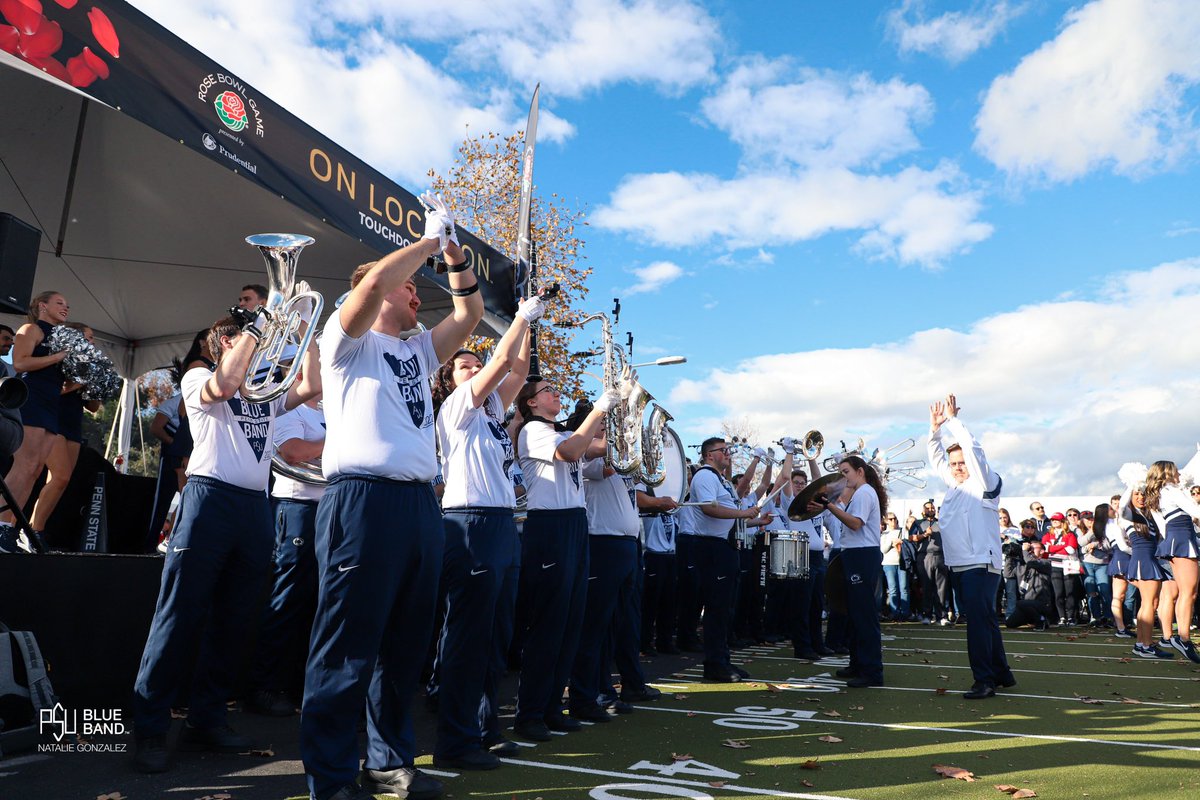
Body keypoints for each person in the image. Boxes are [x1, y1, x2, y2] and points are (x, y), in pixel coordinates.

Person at [299, 195, 483, 800]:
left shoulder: (415, 349)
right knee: (346, 645)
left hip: (416, 506)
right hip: (361, 501)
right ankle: (330, 776)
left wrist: (455, 258)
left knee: (404, 647)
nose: (416, 298)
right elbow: (379, 276)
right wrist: (429, 242)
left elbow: (471, 311)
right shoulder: (345, 343)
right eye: (410, 291)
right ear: (385, 295)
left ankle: (389, 761)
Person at [132, 302, 322, 774]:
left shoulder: (265, 391)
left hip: (254, 507)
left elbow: (313, 385)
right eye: (248, 339)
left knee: (235, 619)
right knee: (178, 615)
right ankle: (152, 728)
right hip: (208, 500)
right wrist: (257, 326)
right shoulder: (198, 378)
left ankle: (207, 719)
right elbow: (223, 385)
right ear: (227, 346)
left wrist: (305, 328)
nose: (260, 346)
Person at [429, 293, 542, 770]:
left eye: (475, 364)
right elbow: (501, 363)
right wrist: (517, 317)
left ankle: (485, 727)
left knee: (496, 637)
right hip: (469, 520)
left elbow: (516, 371)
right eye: (463, 366)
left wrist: (530, 324)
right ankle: (455, 739)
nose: (473, 370)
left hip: (500, 523)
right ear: (449, 380)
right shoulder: (457, 407)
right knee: (468, 636)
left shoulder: (493, 416)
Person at [511, 380, 613, 740]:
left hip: (574, 525)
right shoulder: (533, 430)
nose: (557, 394)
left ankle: (552, 708)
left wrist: (626, 419)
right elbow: (571, 452)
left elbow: (598, 450)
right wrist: (600, 408)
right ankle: (530, 714)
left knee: (571, 623)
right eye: (548, 390)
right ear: (531, 402)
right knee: (548, 625)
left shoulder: (560, 432)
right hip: (550, 527)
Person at [568, 438, 663, 724]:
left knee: (616, 624)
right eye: (602, 427)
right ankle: (586, 693)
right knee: (595, 626)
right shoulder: (590, 456)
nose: (608, 432)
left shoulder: (619, 460)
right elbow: (605, 467)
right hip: (601, 543)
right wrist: (623, 441)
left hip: (626, 545)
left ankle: (605, 689)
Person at [927, 394, 1013, 699]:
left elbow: (975, 452)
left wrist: (953, 422)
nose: (957, 467)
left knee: (977, 623)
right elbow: (936, 457)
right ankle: (1001, 673)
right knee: (986, 619)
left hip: (981, 564)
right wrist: (935, 430)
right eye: (954, 464)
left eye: (961, 463)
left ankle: (984, 680)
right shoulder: (954, 486)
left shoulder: (985, 484)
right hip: (960, 564)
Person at [245, 396, 326, 718]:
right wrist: (343, 437)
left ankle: (304, 685)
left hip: (331, 508)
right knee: (288, 599)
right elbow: (293, 452)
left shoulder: (335, 408)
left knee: (323, 602)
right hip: (298, 508)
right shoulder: (291, 409)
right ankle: (265, 687)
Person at [691, 437, 768, 682]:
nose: (728, 454)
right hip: (712, 548)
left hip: (725, 547)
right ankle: (714, 664)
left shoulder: (720, 480)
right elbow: (708, 508)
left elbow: (731, 516)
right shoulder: (704, 476)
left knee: (725, 609)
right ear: (708, 454)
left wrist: (752, 519)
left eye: (728, 450)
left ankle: (722, 660)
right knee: (716, 608)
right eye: (723, 450)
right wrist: (742, 512)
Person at [0, 291, 70, 553]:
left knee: (36, 469)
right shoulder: (30, 328)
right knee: (25, 464)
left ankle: (10, 529)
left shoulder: (61, 337)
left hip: (51, 403)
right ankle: (0, 525)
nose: (65, 308)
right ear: (42, 306)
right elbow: (19, 363)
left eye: (67, 305)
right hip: (31, 400)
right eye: (59, 303)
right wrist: (57, 357)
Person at [808, 455, 886, 688]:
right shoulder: (859, 494)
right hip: (854, 554)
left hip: (862, 555)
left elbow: (855, 523)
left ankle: (872, 671)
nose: (843, 476)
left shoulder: (864, 492)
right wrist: (828, 504)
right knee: (853, 613)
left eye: (846, 472)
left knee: (864, 614)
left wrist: (828, 506)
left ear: (860, 471)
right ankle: (858, 663)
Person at [29, 322, 102, 540]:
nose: (92, 342)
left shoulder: (87, 365)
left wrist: (93, 386)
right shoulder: (60, 356)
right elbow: (52, 390)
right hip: (52, 420)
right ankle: (32, 530)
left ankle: (30, 528)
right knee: (55, 476)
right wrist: (77, 383)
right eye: (89, 338)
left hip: (73, 424)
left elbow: (94, 407)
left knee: (61, 480)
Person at [1143, 459, 1200, 663]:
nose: (1179, 473)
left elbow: (1163, 528)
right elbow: (1196, 511)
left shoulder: (1159, 495)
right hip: (1182, 539)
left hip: (1176, 538)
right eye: (1175, 470)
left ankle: (1182, 638)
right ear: (1167, 472)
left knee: (1185, 591)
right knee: (1189, 592)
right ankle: (1183, 638)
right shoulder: (1171, 490)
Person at [1119, 479, 1174, 659]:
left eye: (1143, 493)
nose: (1141, 497)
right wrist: (1131, 484)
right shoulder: (1127, 514)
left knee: (1150, 602)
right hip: (1143, 560)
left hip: (1149, 559)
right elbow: (1121, 507)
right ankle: (1147, 645)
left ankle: (1141, 644)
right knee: (1150, 603)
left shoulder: (1148, 515)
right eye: (1137, 494)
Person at [638, 483, 680, 655]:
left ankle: (665, 641)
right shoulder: (651, 505)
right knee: (650, 603)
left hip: (670, 556)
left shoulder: (671, 509)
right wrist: (657, 499)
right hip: (654, 555)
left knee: (668, 602)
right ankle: (645, 643)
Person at [909, 499, 953, 624]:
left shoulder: (941, 523)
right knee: (926, 587)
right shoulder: (918, 523)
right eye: (928, 508)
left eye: (932, 507)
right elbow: (911, 537)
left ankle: (941, 616)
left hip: (940, 556)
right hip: (925, 556)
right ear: (923, 511)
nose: (930, 509)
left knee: (941, 588)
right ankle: (927, 615)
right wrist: (923, 535)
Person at [1042, 512, 1082, 625]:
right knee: (1058, 593)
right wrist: (1062, 547)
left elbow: (1071, 550)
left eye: (1057, 520)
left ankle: (1070, 617)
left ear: (1062, 522)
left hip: (1068, 566)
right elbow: (1044, 551)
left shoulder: (1070, 535)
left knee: (1070, 593)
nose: (1054, 522)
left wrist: (1052, 548)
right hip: (1054, 566)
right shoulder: (1047, 535)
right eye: (1053, 520)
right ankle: (1062, 617)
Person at [1078, 504, 1114, 627]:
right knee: (1091, 591)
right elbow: (1081, 542)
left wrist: (1096, 545)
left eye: (1092, 518)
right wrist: (1092, 531)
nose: (1090, 521)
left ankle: (1108, 617)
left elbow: (1110, 547)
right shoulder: (1082, 531)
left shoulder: (1107, 528)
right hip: (1088, 563)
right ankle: (1095, 617)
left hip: (1102, 564)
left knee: (1105, 591)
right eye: (1087, 519)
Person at [1005, 540, 1053, 630]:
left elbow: (1031, 562)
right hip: (1026, 606)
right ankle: (1035, 619)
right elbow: (1008, 574)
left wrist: (1024, 551)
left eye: (1032, 548)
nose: (1030, 551)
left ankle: (1040, 620)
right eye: (1029, 549)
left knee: (1020, 603)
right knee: (1010, 623)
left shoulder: (1046, 563)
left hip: (1042, 604)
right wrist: (1010, 557)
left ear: (1042, 551)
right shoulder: (1023, 567)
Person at [880, 511, 908, 620]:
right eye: (890, 519)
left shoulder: (902, 531)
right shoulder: (884, 534)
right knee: (893, 589)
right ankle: (895, 613)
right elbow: (883, 549)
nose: (893, 521)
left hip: (902, 562)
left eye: (894, 518)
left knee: (904, 588)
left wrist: (901, 542)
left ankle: (905, 613)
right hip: (889, 563)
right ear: (886, 521)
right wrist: (892, 542)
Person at [999, 509, 1025, 618]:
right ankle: (995, 614)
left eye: (1005, 517)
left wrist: (1006, 538)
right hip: (996, 564)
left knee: (1011, 591)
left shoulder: (1014, 530)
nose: (1003, 519)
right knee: (996, 593)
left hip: (1011, 564)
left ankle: (1010, 615)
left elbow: (1017, 545)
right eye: (1000, 517)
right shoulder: (992, 529)